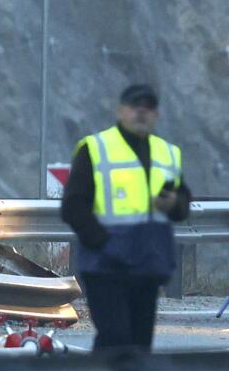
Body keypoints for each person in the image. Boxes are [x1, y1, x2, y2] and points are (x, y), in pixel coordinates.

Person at [62, 83, 191, 352]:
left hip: (147, 266)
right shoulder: (95, 148)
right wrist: (104, 243)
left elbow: (183, 204)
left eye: (148, 107)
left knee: (140, 345)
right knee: (116, 339)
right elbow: (73, 207)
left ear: (156, 115)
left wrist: (173, 203)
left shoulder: (166, 153)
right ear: (120, 111)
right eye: (135, 106)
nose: (141, 112)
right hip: (106, 267)